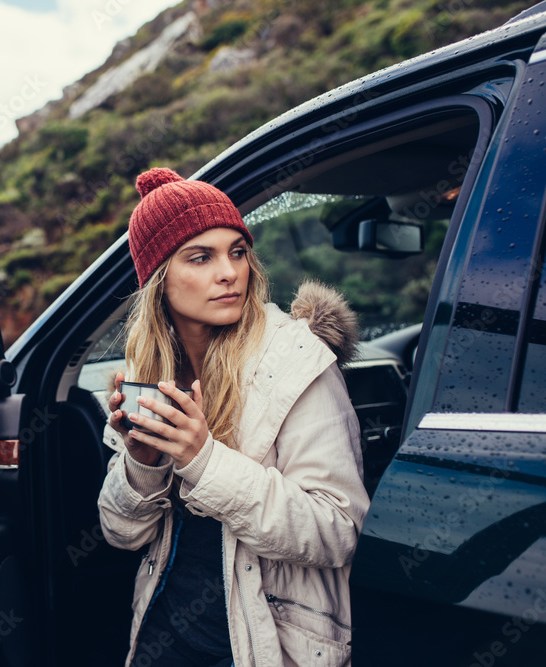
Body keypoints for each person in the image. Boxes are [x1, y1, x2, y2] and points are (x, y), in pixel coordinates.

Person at [97, 168, 370, 667]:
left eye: (237, 252)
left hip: (264, 644)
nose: (230, 272)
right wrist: (142, 460)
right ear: (159, 278)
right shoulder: (150, 372)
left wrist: (204, 461)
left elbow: (337, 531)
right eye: (201, 257)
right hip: (163, 633)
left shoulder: (297, 362)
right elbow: (121, 533)